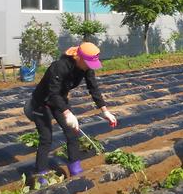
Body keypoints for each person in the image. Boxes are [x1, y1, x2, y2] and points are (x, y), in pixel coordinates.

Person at [24, 42, 117, 183]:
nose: (90, 66)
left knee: (72, 132)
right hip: (41, 102)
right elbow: (52, 93)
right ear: (79, 58)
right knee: (46, 138)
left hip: (59, 100)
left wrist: (105, 111)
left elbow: (93, 87)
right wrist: (67, 113)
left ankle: (75, 168)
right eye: (89, 62)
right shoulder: (59, 67)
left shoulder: (86, 67)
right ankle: (40, 174)